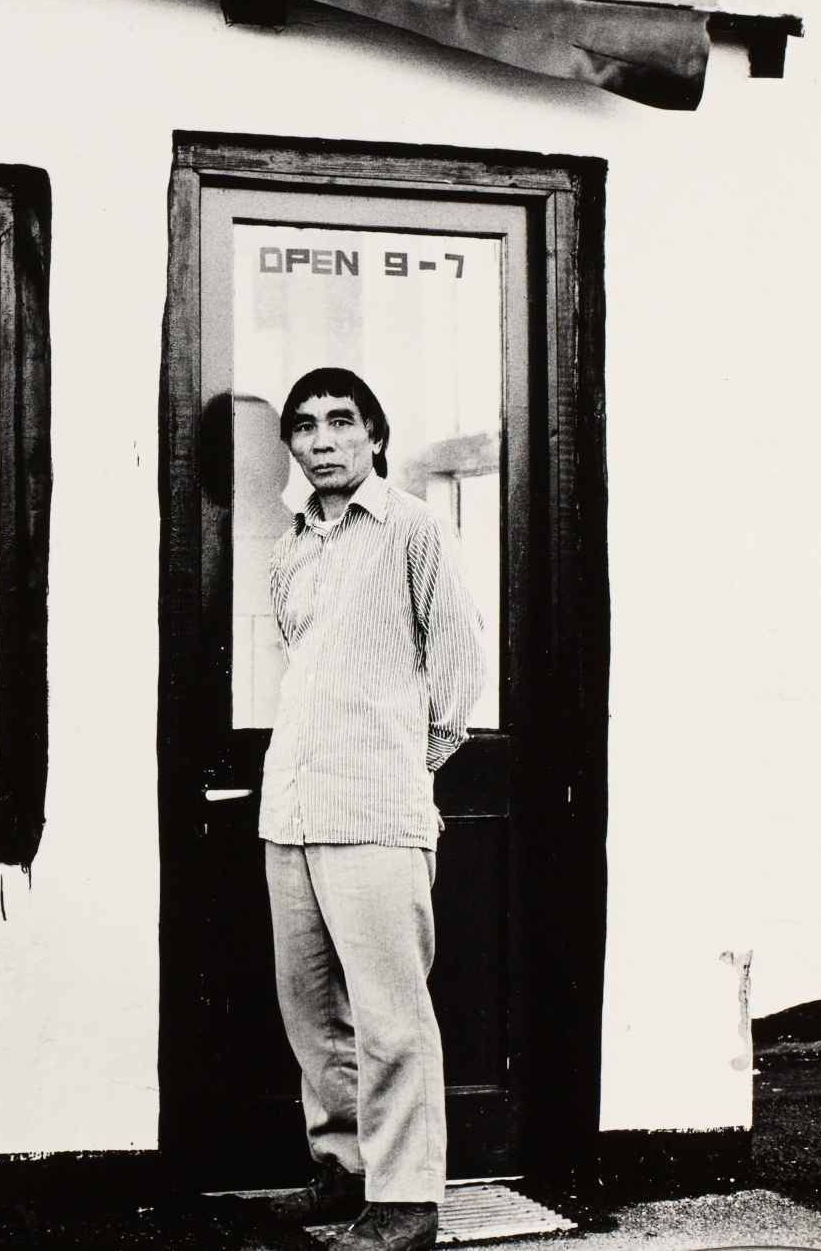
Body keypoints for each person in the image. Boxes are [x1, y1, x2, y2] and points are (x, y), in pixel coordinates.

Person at [257, 368, 487, 1251]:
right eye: (305, 427)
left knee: (392, 1016)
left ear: (375, 437)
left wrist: (399, 766)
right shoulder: (292, 551)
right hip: (292, 813)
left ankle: (406, 1203)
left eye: (341, 422)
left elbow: (459, 674)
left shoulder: (413, 533)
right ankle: (342, 1169)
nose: (321, 440)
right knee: (310, 1014)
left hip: (375, 815)